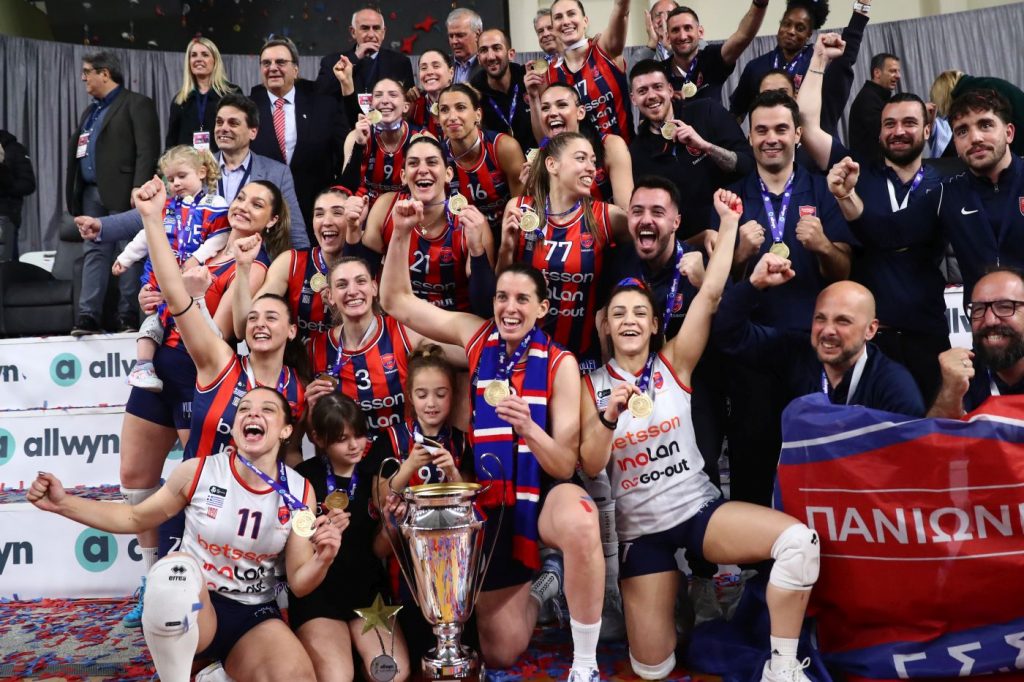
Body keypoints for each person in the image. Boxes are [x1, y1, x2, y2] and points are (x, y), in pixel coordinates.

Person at [580, 190, 822, 682]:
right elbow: (589, 463)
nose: (629, 321)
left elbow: (710, 295)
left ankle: (781, 668)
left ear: (654, 324)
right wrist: (608, 417)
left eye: (639, 313)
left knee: (800, 542)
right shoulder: (588, 385)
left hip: (697, 512)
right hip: (641, 535)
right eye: (618, 313)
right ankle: (670, 595)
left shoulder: (674, 362)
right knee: (653, 668)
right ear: (605, 325)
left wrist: (729, 223)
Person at [380, 205, 605, 679]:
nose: (509, 307)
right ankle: (544, 588)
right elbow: (396, 301)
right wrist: (400, 232)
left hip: (542, 496)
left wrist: (530, 428)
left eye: (522, 299)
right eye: (502, 297)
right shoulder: (475, 335)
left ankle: (585, 663)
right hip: (491, 501)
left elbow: (565, 464)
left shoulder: (561, 363)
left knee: (582, 520)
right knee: (501, 651)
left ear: (542, 309)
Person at [28, 385, 337, 682]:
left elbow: (299, 583)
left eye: (267, 410)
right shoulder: (199, 471)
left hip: (252, 612)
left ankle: (216, 675)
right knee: (173, 572)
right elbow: (135, 517)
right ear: (235, 427)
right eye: (244, 409)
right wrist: (63, 503)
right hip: (195, 605)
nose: (253, 414)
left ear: (285, 430)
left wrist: (322, 559)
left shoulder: (300, 492)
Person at [97, 179, 293, 627]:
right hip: (157, 366)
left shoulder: (254, 266)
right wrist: (153, 295)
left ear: (272, 221)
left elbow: (218, 334)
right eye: (241, 198)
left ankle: (201, 586)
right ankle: (152, 578)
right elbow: (164, 284)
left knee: (196, 482)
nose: (243, 207)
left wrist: (185, 296)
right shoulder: (210, 240)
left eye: (257, 204)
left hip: (198, 376)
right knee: (134, 476)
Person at [714, 89, 856, 509]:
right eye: (761, 130)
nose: (771, 138)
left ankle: (819, 544)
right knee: (752, 467)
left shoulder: (822, 191)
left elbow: (844, 272)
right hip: (751, 350)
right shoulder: (731, 200)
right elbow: (717, 287)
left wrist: (824, 246)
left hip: (812, 348)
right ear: (750, 137)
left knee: (816, 462)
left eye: (780, 129)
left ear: (797, 134)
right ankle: (754, 549)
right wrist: (739, 254)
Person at [797, 35, 948, 404]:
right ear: (879, 133)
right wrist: (819, 59)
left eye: (909, 123)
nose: (899, 131)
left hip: (928, 335)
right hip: (868, 343)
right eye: (889, 124)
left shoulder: (947, 183)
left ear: (927, 130)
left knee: (932, 429)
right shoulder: (856, 173)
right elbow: (808, 124)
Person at [828, 87, 1024, 310]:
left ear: (1009, 132)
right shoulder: (948, 194)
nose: (975, 138)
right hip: (986, 320)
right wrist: (846, 195)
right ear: (955, 143)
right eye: (962, 131)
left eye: (985, 125)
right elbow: (887, 234)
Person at [87, 146, 230, 392]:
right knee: (154, 321)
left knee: (194, 326)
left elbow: (221, 236)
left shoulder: (214, 203)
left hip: (198, 283)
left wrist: (197, 258)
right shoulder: (166, 206)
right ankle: (143, 366)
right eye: (170, 179)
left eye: (182, 176)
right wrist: (125, 258)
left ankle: (203, 366)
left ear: (202, 172)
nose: (176, 183)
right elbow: (146, 236)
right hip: (162, 279)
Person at [289, 393, 411, 682]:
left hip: (367, 596)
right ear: (318, 439)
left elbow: (378, 550)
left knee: (391, 674)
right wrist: (320, 537)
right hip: (319, 598)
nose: (355, 445)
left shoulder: (376, 476)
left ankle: (359, 655)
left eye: (359, 434)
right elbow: (293, 550)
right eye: (342, 439)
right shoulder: (303, 478)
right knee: (336, 678)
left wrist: (391, 526)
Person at [714, 252, 926, 416]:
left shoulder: (894, 387)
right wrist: (754, 284)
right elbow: (729, 334)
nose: (828, 330)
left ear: (870, 329)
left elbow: (907, 455)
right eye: (820, 318)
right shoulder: (795, 353)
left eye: (843, 321)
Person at [499, 131, 630, 373]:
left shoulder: (606, 217)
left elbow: (652, 238)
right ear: (552, 165)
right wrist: (506, 247)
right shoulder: (519, 209)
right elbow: (502, 285)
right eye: (581, 158)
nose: (591, 168)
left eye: (593, 161)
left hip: (581, 355)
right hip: (524, 351)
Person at [345, 134, 497, 315]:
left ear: (448, 174)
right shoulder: (386, 208)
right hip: (400, 321)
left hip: (453, 324)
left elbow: (485, 308)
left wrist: (477, 250)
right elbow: (358, 278)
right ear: (403, 176)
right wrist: (353, 229)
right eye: (413, 163)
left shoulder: (471, 222)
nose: (423, 170)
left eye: (432, 162)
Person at [67, 50, 160, 336]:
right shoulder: (90, 112)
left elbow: (147, 148)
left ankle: (127, 316)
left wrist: (139, 185)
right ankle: (88, 316)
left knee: (129, 251)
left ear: (105, 73)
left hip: (124, 192)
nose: (83, 78)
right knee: (94, 251)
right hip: (90, 193)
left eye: (87, 72)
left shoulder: (137, 103)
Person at [304, 256, 453, 435]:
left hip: (405, 450)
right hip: (350, 452)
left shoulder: (405, 331)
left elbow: (469, 355)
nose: (352, 291)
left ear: (374, 287)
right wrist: (312, 410)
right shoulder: (315, 349)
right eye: (342, 285)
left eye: (361, 281)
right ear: (330, 296)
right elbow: (316, 435)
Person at [628, 60, 753, 239]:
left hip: (734, 230)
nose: (651, 96)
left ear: (670, 90)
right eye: (642, 91)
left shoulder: (707, 111)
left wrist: (705, 146)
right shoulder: (636, 152)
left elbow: (748, 164)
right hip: (687, 246)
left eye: (657, 87)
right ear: (633, 99)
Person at [250, 37, 347, 234]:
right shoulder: (248, 110)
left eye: (280, 62)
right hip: (265, 218)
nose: (273, 68)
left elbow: (342, 156)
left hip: (314, 215)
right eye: (266, 63)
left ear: (295, 70)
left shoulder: (324, 105)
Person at [729, 0, 870, 136]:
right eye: (786, 24)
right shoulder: (756, 67)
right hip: (770, 145)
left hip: (815, 146)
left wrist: (862, 6)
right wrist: (739, 146)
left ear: (809, 34)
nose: (791, 31)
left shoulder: (820, 60)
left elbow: (847, 54)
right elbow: (736, 113)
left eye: (800, 28)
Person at [212, 94, 309, 247]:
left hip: (257, 257)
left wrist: (303, 260)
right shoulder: (197, 168)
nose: (223, 128)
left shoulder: (277, 173)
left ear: (253, 132)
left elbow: (295, 232)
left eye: (233, 123)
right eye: (219, 122)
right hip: (204, 259)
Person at [930, 268, 1024, 417]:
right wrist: (950, 394)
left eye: (1005, 307)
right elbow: (936, 430)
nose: (990, 320)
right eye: (978, 309)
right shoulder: (963, 374)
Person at [525, 82, 633, 208]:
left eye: (562, 105)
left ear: (580, 112)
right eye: (545, 108)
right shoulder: (542, 161)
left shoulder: (611, 146)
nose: (552, 113)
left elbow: (626, 210)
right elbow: (544, 215)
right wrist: (533, 189)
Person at [440, 84, 526, 242]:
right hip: (466, 240)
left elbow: (522, 207)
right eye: (444, 110)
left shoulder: (504, 148)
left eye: (460, 107)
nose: (452, 116)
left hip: (509, 234)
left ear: (478, 115)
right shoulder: (438, 158)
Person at [548, 0, 633, 143]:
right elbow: (546, 133)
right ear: (553, 28)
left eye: (571, 14)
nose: (566, 21)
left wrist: (622, 4)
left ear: (585, 21)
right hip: (579, 156)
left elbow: (621, 11)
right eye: (558, 17)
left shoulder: (604, 49)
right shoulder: (550, 74)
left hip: (625, 152)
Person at [660, 3, 768, 104]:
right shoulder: (659, 72)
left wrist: (760, 4)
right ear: (668, 37)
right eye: (675, 30)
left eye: (688, 28)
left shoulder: (711, 58)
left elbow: (742, 36)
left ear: (700, 32)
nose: (682, 36)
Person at [338, 77, 417, 207]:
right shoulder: (355, 137)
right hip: (364, 209)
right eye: (378, 95)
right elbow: (345, 190)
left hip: (407, 208)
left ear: (405, 106)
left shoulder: (421, 139)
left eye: (393, 95)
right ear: (371, 105)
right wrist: (359, 145)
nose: (384, 101)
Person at [316, 7, 415, 102]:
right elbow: (320, 94)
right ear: (353, 32)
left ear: (383, 33)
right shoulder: (331, 62)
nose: (371, 35)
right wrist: (355, 57)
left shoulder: (400, 62)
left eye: (376, 28)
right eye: (365, 28)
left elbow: (408, 101)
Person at [166, 38, 241, 153]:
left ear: (215, 61)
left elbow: (241, 132)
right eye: (194, 55)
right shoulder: (180, 100)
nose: (198, 59)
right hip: (189, 162)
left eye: (205, 55)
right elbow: (171, 143)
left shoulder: (232, 94)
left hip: (223, 161)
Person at [472, 29, 538, 151]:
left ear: (510, 54)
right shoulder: (473, 93)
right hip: (498, 161)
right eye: (484, 50)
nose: (491, 57)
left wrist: (535, 97)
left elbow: (547, 135)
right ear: (479, 58)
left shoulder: (529, 80)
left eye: (497, 48)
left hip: (537, 156)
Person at [846, 52, 900, 164]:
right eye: (892, 71)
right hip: (871, 170)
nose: (898, 76)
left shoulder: (878, 97)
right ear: (877, 73)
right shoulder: (867, 99)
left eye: (898, 71)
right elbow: (886, 134)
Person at [0, 128, 36, 262]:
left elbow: (28, 185)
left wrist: (3, 172)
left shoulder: (14, 149)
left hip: (5, 218)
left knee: (6, 268)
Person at [406, 50, 453, 138]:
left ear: (451, 73)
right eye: (424, 68)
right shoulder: (414, 106)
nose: (429, 72)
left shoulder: (465, 101)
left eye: (436, 66)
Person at [447, 8, 483, 84]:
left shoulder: (487, 65)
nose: (454, 41)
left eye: (460, 35)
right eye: (451, 36)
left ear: (477, 35)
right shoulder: (444, 65)